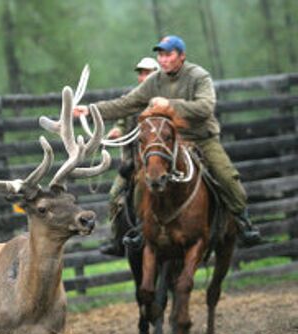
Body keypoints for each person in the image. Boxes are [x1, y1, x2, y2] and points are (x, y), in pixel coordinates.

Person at [74, 35, 262, 247]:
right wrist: (90, 110)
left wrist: (169, 104)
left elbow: (205, 107)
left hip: (201, 139)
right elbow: (126, 103)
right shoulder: (154, 81)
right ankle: (140, 228)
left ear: (181, 56)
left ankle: (242, 222)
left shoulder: (199, 77)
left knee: (227, 177)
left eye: (168, 54)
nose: (163, 59)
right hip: (168, 142)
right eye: (160, 55)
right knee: (141, 180)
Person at [99, 57, 160, 256]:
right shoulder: (131, 99)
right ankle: (116, 239)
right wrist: (117, 130)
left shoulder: (164, 100)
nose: (143, 77)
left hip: (159, 163)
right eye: (141, 73)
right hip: (133, 163)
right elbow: (122, 123)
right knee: (114, 195)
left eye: (147, 72)